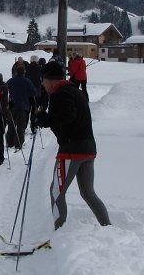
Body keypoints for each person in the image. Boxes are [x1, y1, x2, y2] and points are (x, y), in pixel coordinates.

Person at [36, 61, 110, 230]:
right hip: (87, 150)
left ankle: (59, 231)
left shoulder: (62, 93)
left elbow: (67, 116)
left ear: (52, 80)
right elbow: (68, 118)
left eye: (43, 80)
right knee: (88, 193)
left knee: (56, 192)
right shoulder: (72, 91)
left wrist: (46, 119)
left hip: (71, 151)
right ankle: (107, 228)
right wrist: (46, 118)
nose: (42, 83)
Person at [6, 65, 36, 150]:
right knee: (20, 126)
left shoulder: (11, 81)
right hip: (23, 106)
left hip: (12, 105)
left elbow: (5, 88)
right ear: (24, 72)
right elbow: (33, 92)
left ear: (16, 72)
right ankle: (18, 143)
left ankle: (10, 142)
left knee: (11, 125)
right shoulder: (27, 81)